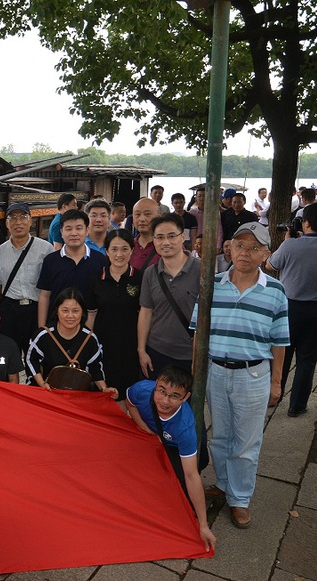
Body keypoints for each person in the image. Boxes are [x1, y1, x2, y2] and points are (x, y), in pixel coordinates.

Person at [191, 222, 289, 529]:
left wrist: (276, 382)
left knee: (246, 442)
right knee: (220, 437)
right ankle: (223, 484)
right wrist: (196, 372)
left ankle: (240, 498)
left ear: (266, 254)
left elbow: (279, 341)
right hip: (216, 372)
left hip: (253, 375)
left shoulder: (275, 291)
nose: (245, 252)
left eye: (254, 248)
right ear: (230, 249)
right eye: (240, 245)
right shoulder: (212, 284)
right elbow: (198, 333)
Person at [125, 366, 216, 552]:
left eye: (175, 396)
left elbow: (191, 475)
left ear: (186, 397)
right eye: (161, 391)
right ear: (156, 385)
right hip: (153, 434)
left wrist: (203, 525)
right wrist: (146, 430)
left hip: (176, 444)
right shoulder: (142, 389)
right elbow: (130, 403)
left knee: (188, 473)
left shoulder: (185, 428)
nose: (165, 401)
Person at [267, 203, 317, 417]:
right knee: (307, 360)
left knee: (282, 354)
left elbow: (270, 265)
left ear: (306, 222)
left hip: (289, 308)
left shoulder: (290, 246)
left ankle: (274, 396)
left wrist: (287, 242)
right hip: (315, 310)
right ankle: (297, 406)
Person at [0, 202, 53, 359]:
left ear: (30, 220)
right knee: (7, 357)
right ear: (6, 223)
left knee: (37, 356)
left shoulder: (46, 249)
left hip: (36, 310)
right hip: (9, 311)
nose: (18, 222)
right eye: (13, 218)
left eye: (23, 217)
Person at [137, 214, 200, 378]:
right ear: (154, 240)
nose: (165, 242)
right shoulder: (150, 273)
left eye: (171, 236)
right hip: (157, 351)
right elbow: (146, 312)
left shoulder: (201, 270)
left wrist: (199, 357)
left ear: (183, 237)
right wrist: (141, 350)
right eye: (159, 237)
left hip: (190, 355)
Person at [26, 288, 118, 398]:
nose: (70, 316)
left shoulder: (90, 339)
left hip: (78, 395)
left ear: (82, 312)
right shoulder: (43, 335)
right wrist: (42, 384)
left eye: (75, 311)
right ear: (57, 311)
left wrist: (104, 389)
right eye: (65, 310)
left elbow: (95, 368)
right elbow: (31, 360)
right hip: (46, 393)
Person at [91, 229, 143, 401]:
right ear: (106, 251)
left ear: (132, 250)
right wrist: (88, 344)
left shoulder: (140, 277)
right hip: (103, 344)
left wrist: (142, 347)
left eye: (124, 249)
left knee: (128, 393)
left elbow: (145, 314)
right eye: (114, 249)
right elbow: (91, 314)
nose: (119, 254)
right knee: (103, 392)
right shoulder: (97, 277)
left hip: (131, 345)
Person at [36, 209, 108, 328]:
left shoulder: (100, 260)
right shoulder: (51, 260)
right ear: (61, 232)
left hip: (90, 327)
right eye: (68, 229)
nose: (74, 233)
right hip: (56, 327)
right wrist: (42, 327)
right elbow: (45, 295)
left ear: (87, 230)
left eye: (79, 228)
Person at [128, 198, 161, 271]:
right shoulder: (128, 246)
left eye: (147, 214)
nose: (142, 219)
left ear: (159, 216)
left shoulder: (169, 245)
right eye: (137, 214)